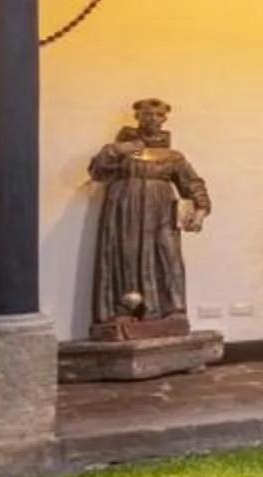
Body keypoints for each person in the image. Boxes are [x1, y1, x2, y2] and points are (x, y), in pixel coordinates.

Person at [88, 98, 211, 333]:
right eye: (147, 115)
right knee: (127, 256)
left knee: (168, 256)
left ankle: (172, 310)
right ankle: (126, 311)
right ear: (138, 117)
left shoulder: (173, 156)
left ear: (164, 119)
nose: (153, 119)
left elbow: (192, 183)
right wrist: (114, 150)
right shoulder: (122, 149)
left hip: (162, 210)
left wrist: (200, 210)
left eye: (158, 115)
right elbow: (97, 173)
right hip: (126, 211)